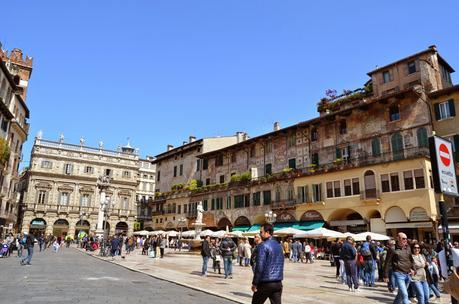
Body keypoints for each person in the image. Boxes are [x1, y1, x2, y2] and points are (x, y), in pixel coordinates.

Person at [251, 223, 284, 304]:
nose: (260, 234)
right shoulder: (279, 245)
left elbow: (260, 266)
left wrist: (255, 283)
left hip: (265, 282)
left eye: (261, 232)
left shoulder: (263, 246)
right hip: (278, 283)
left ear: (267, 232)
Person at [384, 232, 415, 304]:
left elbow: (411, 260)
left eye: (406, 238)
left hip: (408, 273)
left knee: (400, 294)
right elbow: (387, 263)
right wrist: (385, 275)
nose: (405, 240)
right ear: (398, 238)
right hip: (398, 273)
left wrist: (413, 269)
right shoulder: (392, 249)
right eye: (403, 238)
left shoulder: (408, 247)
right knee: (405, 294)